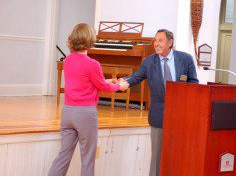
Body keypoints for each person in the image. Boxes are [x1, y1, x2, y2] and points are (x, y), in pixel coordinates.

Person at [48, 23, 129, 176]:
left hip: (68, 112)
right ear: (90, 40)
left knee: (63, 156)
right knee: (88, 158)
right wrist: (120, 86)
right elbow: (102, 87)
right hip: (85, 114)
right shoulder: (93, 64)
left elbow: (89, 82)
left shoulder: (68, 60)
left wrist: (110, 81)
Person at [122, 29, 199, 176]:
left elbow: (193, 83)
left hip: (181, 116)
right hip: (159, 116)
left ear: (170, 43)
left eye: (160, 40)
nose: (156, 44)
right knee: (157, 157)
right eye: (155, 40)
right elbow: (136, 77)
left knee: (179, 155)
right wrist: (120, 84)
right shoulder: (149, 62)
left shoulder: (186, 59)